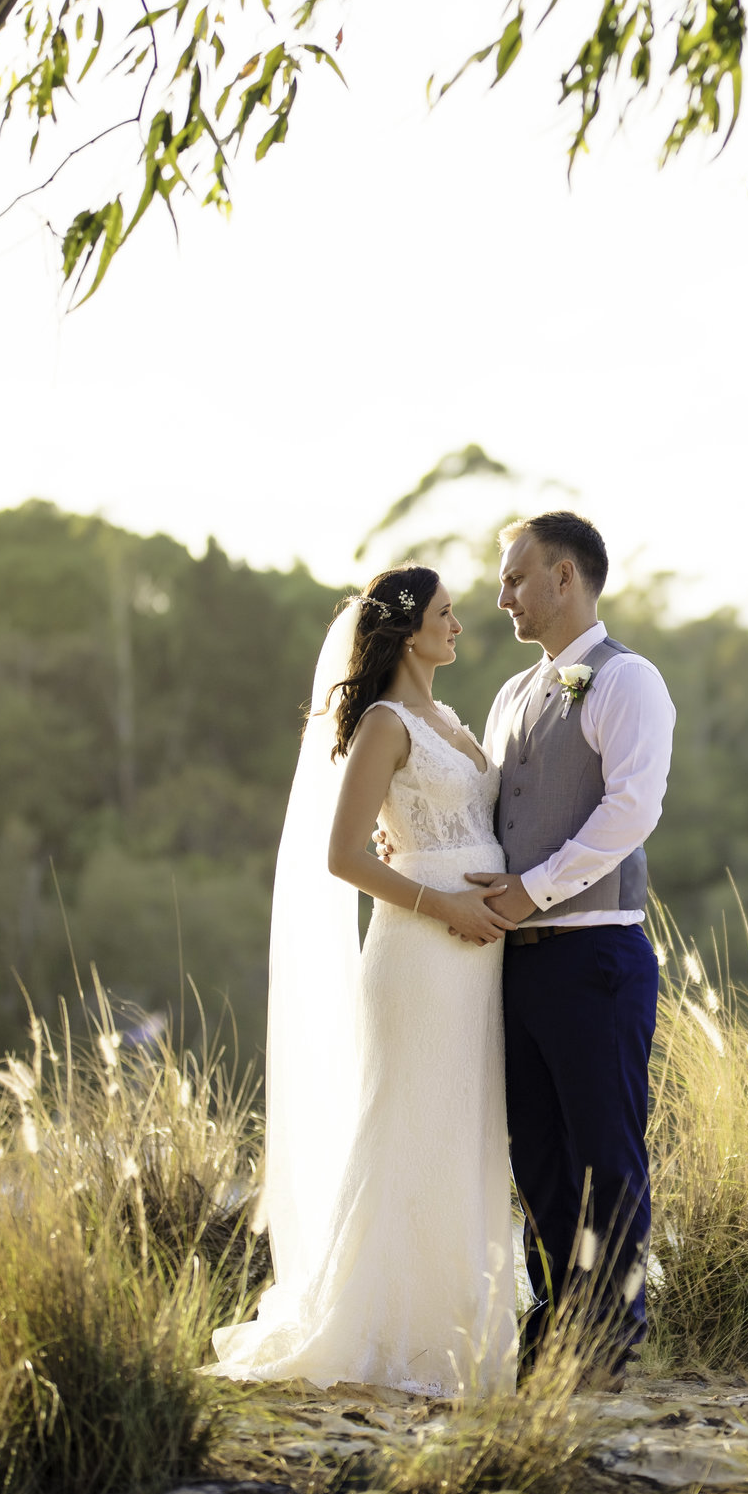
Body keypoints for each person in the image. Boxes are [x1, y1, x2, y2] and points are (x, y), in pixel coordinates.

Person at [204, 565, 523, 1396]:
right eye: (445, 613)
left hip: (475, 958)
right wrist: (445, 904)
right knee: (409, 1126)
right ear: (409, 630)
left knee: (463, 1131)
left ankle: (455, 1330)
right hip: (419, 953)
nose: (458, 625)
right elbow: (344, 855)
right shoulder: (385, 723)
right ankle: (384, 1333)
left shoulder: (448, 719)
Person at [462, 512, 676, 1380]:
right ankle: (555, 1334)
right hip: (514, 966)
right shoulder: (512, 694)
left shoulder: (629, 680)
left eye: (515, 578)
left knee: (606, 1157)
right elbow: (489, 810)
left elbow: (632, 809)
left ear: (564, 577)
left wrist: (534, 888)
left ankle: (612, 1340)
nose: (502, 596)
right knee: (539, 1163)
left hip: (596, 959)